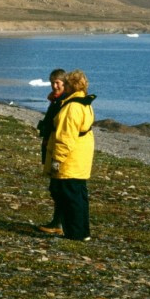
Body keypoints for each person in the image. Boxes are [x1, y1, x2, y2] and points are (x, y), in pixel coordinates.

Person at [49, 69, 97, 241]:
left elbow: (65, 137)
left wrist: (57, 160)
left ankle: (75, 233)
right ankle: (83, 232)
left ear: (71, 85)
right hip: (81, 156)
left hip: (71, 159)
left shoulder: (72, 107)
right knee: (79, 196)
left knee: (70, 197)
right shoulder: (85, 103)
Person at [37, 68, 68, 233]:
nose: (54, 86)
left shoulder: (63, 101)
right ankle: (58, 222)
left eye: (57, 83)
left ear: (64, 83)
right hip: (50, 144)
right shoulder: (56, 100)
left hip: (56, 146)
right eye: (52, 83)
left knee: (58, 186)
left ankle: (59, 223)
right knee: (54, 186)